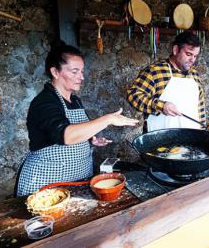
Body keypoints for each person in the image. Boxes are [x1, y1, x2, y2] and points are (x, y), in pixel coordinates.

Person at [15, 42, 139, 196]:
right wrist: (107, 119)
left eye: (81, 71)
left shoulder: (75, 100)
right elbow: (66, 135)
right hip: (46, 183)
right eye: (75, 71)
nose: (81, 77)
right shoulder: (44, 102)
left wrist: (90, 140)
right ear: (55, 72)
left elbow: (76, 131)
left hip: (76, 179)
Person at [127, 31, 205, 132]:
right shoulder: (155, 71)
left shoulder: (194, 74)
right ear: (176, 50)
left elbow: (200, 106)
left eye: (195, 56)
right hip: (158, 139)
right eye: (189, 54)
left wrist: (203, 131)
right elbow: (133, 95)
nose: (192, 60)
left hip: (191, 139)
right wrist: (161, 106)